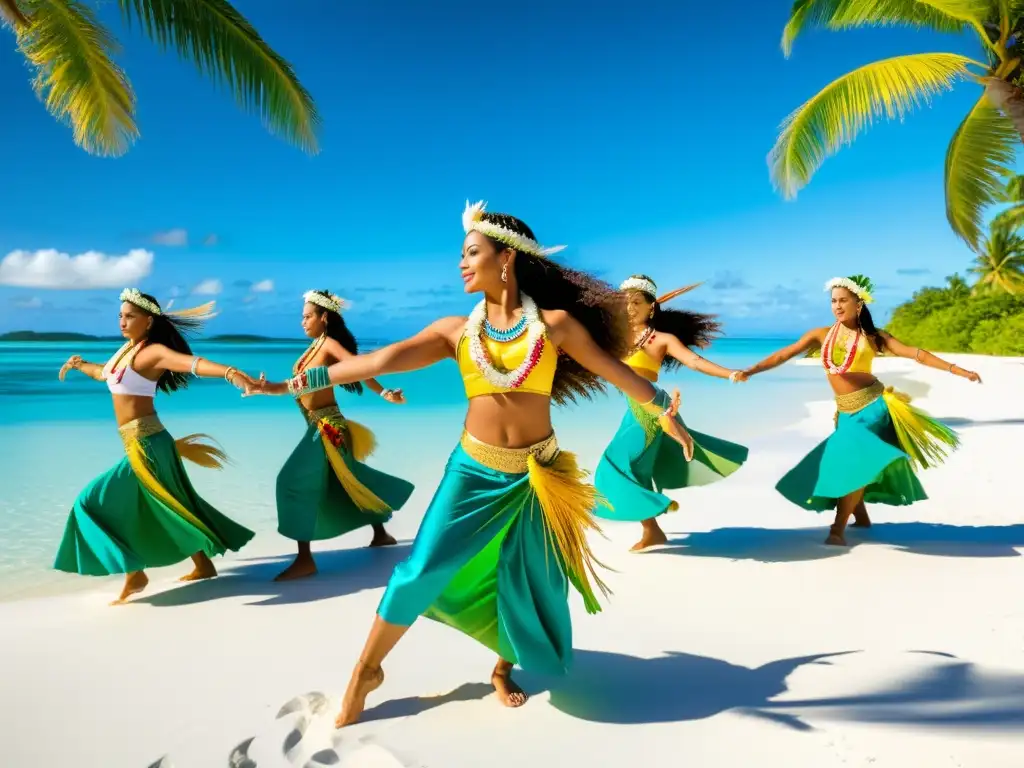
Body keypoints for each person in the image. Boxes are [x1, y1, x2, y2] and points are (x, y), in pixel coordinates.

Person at [245, 201, 692, 726]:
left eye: (470, 252)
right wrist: (287, 385)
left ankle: (502, 668)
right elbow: (375, 362)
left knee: (528, 579)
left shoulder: (555, 326)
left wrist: (667, 414)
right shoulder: (455, 331)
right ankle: (366, 669)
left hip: (538, 476)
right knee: (418, 570)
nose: (460, 263)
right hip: (473, 470)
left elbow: (622, 375)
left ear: (506, 259)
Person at [53, 288, 259, 604]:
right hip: (142, 443)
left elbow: (192, 363)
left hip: (148, 445)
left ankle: (135, 572)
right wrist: (80, 364)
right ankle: (203, 566)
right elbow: (104, 375)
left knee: (89, 502)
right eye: (120, 315)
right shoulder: (125, 351)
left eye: (130, 316)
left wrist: (230, 373)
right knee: (167, 507)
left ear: (148, 321)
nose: (122, 321)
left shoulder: (152, 352)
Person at [742, 275, 981, 545]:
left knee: (851, 465)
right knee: (853, 466)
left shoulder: (873, 337)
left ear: (859, 304)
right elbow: (783, 354)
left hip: (873, 409)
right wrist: (752, 370)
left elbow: (917, 354)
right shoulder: (820, 335)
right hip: (844, 412)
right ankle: (862, 518)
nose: (837, 306)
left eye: (843, 300)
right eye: (833, 301)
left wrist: (956, 369)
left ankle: (837, 529)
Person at [594, 275, 750, 551]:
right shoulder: (614, 336)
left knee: (615, 466)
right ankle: (652, 530)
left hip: (653, 407)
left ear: (651, 307)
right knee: (630, 469)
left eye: (636, 303)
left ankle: (655, 522)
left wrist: (730, 373)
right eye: (625, 303)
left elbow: (693, 360)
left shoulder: (661, 339)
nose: (629, 308)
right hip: (632, 410)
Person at [273, 289, 414, 581]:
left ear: (324, 318)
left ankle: (304, 559)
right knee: (345, 481)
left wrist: (385, 392)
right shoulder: (313, 348)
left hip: (328, 429)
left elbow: (358, 367)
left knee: (291, 481)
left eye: (308, 316)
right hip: (317, 426)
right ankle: (381, 534)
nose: (303, 322)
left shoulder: (329, 345)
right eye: (302, 317)